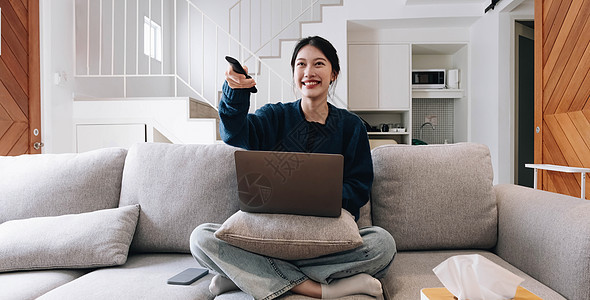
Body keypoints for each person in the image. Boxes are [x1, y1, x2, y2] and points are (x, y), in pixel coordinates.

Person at [190, 36, 396, 300]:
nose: (309, 72)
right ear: (294, 73)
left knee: (382, 243)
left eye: (318, 64)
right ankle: (320, 289)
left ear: (333, 74)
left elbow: (359, 187)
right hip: (272, 236)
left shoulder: (351, 126)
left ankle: (248, 276)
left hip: (326, 238)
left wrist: (319, 196)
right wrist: (235, 92)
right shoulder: (273, 116)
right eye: (301, 64)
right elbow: (234, 133)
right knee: (201, 238)